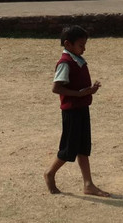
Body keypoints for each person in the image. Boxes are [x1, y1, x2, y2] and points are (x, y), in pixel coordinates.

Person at [43, 24, 110, 196]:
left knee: (83, 148)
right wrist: (79, 94)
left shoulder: (77, 60)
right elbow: (56, 88)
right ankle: (50, 173)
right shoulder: (65, 63)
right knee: (69, 148)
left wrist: (89, 91)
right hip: (72, 112)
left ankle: (88, 184)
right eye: (81, 45)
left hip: (82, 109)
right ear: (68, 44)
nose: (84, 49)